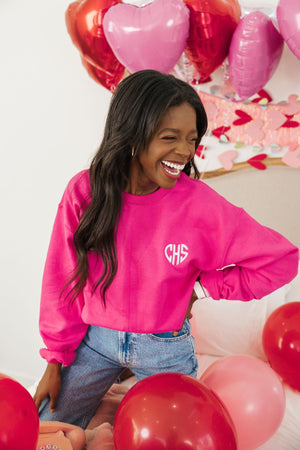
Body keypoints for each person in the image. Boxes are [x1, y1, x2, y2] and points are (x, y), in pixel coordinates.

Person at [34, 69, 299, 429]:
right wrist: (54, 360)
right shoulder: (86, 192)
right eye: (170, 137)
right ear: (133, 134)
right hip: (95, 341)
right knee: (44, 427)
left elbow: (281, 259)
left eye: (192, 139)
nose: (185, 151)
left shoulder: (199, 205)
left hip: (164, 347)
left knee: (185, 435)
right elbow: (60, 278)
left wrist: (203, 287)